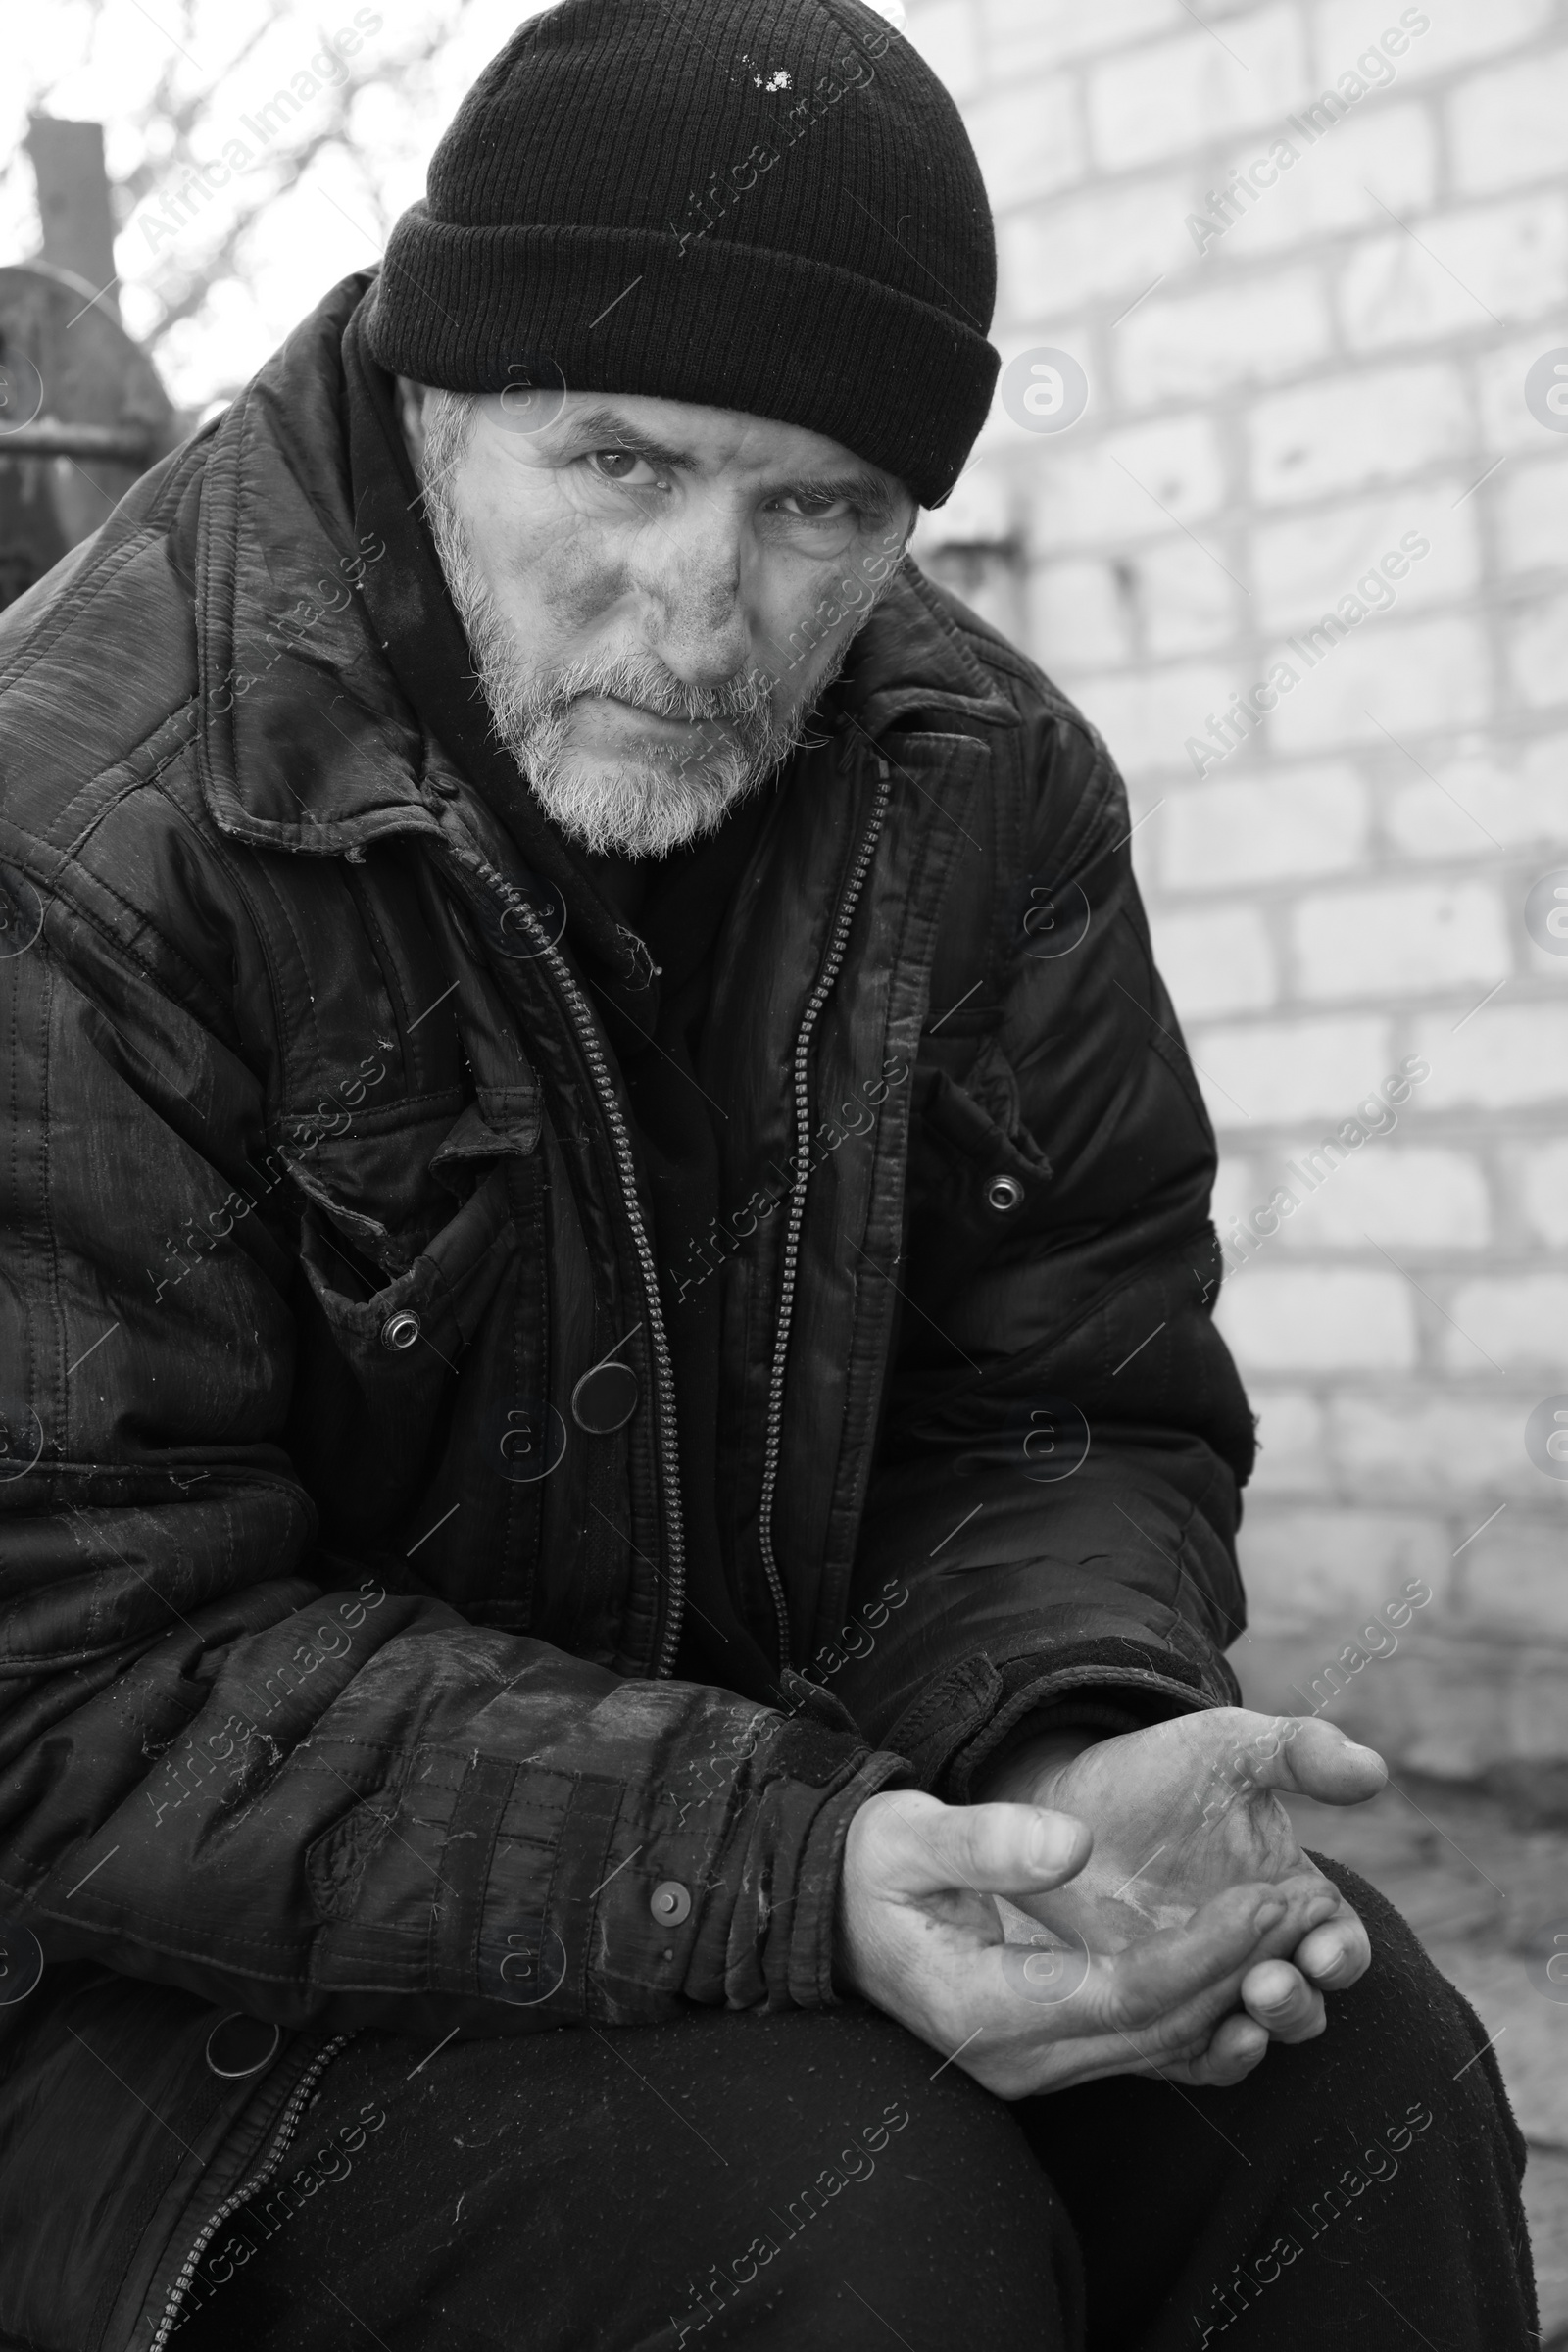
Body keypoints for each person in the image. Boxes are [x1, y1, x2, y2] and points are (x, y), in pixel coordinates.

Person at [0, 1, 1536, 2345]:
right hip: (149, 1979)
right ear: (433, 400)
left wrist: (1057, 1763)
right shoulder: (84, 831)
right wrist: (786, 1869)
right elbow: (70, 1668)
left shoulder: (982, 778)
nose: (704, 615)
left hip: (811, 1843)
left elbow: (1058, 1408)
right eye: (615, 463)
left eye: (814, 507)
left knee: (1365, 2094)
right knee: (845, 2228)